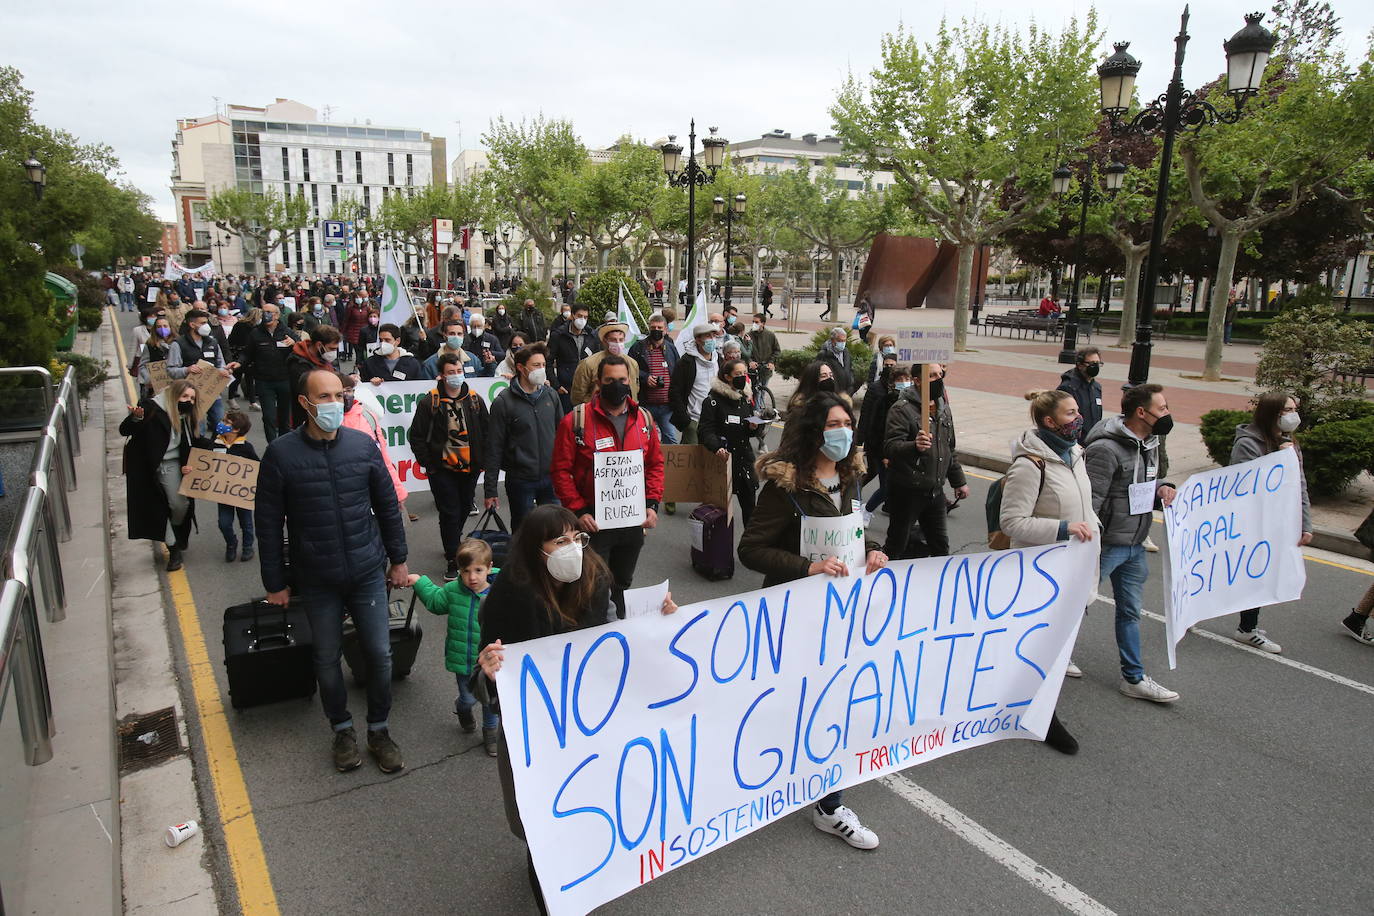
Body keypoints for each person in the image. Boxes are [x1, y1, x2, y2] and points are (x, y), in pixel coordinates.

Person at [476, 505, 676, 912]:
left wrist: (659, 620)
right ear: (536, 550)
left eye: (577, 539)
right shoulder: (509, 597)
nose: (573, 548)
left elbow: (612, 637)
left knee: (584, 807)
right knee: (542, 825)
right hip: (537, 731)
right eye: (560, 541)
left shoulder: (595, 576)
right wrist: (490, 674)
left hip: (587, 723)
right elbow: (490, 680)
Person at [737, 391, 886, 850]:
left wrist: (874, 550)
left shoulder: (852, 476)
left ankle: (828, 805)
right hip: (793, 615)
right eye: (834, 424)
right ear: (814, 431)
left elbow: (853, 529)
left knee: (838, 704)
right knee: (792, 703)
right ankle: (767, 774)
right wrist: (809, 566)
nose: (844, 431)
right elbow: (751, 550)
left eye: (847, 422)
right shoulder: (786, 487)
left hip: (843, 615)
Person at [256, 368, 409, 774]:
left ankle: (379, 729)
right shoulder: (281, 454)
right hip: (317, 577)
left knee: (379, 654)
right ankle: (342, 730)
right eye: (323, 397)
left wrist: (399, 560)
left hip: (366, 571)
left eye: (339, 395)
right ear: (305, 404)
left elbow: (388, 506)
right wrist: (275, 582)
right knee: (326, 658)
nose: (334, 403)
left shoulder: (362, 446)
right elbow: (268, 523)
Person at [1000, 389, 1102, 751]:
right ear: (1049, 421)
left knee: (1058, 643)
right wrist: (1062, 529)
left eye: (1077, 411)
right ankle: (1043, 717)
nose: (1079, 418)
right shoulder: (1030, 465)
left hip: (1074, 567)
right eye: (1071, 413)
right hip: (1043, 574)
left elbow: (1083, 506)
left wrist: (1091, 528)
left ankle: (1027, 700)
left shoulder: (1075, 454)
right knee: (1047, 646)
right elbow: (1012, 522)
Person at [1083, 383, 1180, 704]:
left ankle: (1133, 678)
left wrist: (1163, 488)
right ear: (1142, 412)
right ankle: (1044, 661)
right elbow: (1090, 503)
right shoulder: (1104, 450)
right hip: (1107, 545)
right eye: (1162, 408)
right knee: (1073, 605)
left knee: (1130, 612)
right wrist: (1088, 549)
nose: (1167, 414)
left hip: (1135, 543)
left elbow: (1143, 484)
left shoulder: (1149, 443)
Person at [551, 355, 665, 619]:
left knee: (622, 583)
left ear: (631, 382)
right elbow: (560, 470)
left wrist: (651, 504)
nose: (617, 385)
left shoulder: (645, 420)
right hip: (593, 523)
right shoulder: (575, 421)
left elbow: (655, 465)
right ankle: (592, 633)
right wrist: (579, 511)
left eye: (622, 380)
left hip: (631, 521)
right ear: (598, 383)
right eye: (610, 380)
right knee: (594, 586)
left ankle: (619, 632)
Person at [1228, 391, 1313, 653]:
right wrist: (1279, 458)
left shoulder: (1288, 442)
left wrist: (1305, 523)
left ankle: (1247, 628)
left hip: (1276, 522)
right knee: (1232, 573)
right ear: (1272, 413)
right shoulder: (1248, 444)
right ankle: (1192, 613)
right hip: (1251, 521)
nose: (1293, 415)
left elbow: (1299, 485)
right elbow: (1244, 485)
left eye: (1294, 409)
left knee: (1259, 574)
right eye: (1287, 410)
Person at [408, 539, 500, 756]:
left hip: (489, 662)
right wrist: (420, 582)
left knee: (490, 701)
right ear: (459, 570)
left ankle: (491, 733)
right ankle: (463, 708)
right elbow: (434, 602)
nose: (472, 577)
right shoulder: (453, 590)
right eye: (466, 571)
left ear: (489, 567)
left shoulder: (499, 593)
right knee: (468, 698)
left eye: (478, 570)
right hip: (462, 659)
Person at [409, 354, 493, 580]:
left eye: (459, 371)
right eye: (451, 372)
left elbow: (487, 431)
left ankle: (453, 540)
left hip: (470, 468)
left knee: (465, 507)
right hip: (442, 470)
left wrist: (482, 459)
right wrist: (429, 463)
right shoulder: (430, 401)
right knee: (450, 511)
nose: (456, 376)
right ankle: (453, 557)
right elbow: (416, 435)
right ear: (441, 375)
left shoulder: (475, 400)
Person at [119, 380, 212, 572]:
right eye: (185, 396)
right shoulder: (150, 407)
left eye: (192, 398)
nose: (189, 401)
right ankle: (173, 549)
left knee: (180, 506)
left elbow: (194, 441)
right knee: (158, 510)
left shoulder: (185, 415)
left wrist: (220, 443)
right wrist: (135, 418)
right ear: (174, 394)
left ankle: (176, 532)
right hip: (148, 469)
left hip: (173, 466)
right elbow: (125, 430)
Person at [882, 363, 970, 560]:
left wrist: (959, 481)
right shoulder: (901, 409)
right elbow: (890, 447)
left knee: (940, 546)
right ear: (917, 380)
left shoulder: (943, 409)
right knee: (896, 544)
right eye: (931, 376)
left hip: (935, 492)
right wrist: (914, 446)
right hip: (907, 491)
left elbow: (949, 448)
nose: (938, 379)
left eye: (940, 374)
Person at [484, 342, 564, 530]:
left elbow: (562, 437)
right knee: (523, 530)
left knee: (555, 530)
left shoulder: (551, 396)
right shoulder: (504, 402)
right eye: (536, 365)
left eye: (544, 365)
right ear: (520, 368)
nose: (542, 370)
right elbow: (494, 447)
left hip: (551, 478)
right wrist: (490, 489)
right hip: (521, 480)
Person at [698, 358, 761, 525]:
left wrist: (754, 427)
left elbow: (749, 428)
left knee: (750, 507)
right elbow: (705, 430)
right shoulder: (713, 401)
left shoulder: (745, 397)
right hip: (723, 458)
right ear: (727, 377)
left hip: (744, 459)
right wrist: (716, 447)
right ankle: (716, 546)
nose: (742, 377)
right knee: (719, 511)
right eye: (738, 374)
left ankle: (750, 546)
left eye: (744, 373)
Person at [340, 373, 408, 516]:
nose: (345, 395)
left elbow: (383, 458)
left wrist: (397, 491)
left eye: (349, 390)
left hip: (370, 491)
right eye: (340, 392)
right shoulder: (321, 424)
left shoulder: (367, 416)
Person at [165, 308, 238, 433]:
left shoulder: (213, 342)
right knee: (199, 427)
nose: (206, 326)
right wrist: (186, 370)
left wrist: (224, 371)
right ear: (192, 324)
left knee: (220, 422)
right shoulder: (178, 344)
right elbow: (171, 370)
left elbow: (221, 363)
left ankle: (217, 449)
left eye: (206, 323)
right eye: (202, 323)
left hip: (212, 391)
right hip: (191, 394)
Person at [242, 301, 299, 441]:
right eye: (264, 312)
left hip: (284, 379)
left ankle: (283, 445)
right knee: (269, 417)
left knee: (285, 417)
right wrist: (238, 364)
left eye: (269, 312)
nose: (266, 315)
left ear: (277, 315)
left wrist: (294, 344)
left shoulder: (286, 332)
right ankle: (272, 444)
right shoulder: (256, 333)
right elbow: (247, 353)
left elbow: (302, 349)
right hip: (264, 381)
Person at [857, 361, 906, 514]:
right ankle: (866, 510)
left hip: (901, 453)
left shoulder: (910, 402)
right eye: (900, 380)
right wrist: (884, 455)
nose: (904, 383)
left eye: (907, 379)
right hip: (882, 451)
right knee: (886, 486)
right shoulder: (884, 400)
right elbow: (877, 429)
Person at [211, 409, 258, 563]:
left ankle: (247, 547)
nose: (221, 424)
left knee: (246, 522)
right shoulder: (216, 444)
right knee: (224, 523)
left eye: (226, 422)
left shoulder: (246, 447)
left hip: (241, 493)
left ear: (236, 429)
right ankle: (231, 543)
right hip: (223, 494)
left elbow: (256, 467)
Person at [628, 313, 679, 445]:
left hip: (667, 406)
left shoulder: (671, 349)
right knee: (643, 439)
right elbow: (630, 369)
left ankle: (668, 466)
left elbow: (677, 372)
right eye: (653, 327)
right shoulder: (638, 348)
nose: (656, 330)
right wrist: (645, 377)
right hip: (645, 404)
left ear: (665, 330)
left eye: (659, 328)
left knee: (671, 439)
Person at [668, 323, 720, 445]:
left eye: (713, 336)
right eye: (708, 336)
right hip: (693, 419)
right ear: (698, 339)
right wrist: (686, 421)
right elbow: (675, 391)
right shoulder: (686, 362)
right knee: (690, 459)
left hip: (714, 421)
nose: (712, 339)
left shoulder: (719, 360)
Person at [570, 322, 639, 406]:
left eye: (621, 340)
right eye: (613, 340)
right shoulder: (588, 364)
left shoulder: (632, 363)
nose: (617, 343)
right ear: (605, 341)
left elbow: (635, 390)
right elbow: (577, 396)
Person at [286, 325, 341, 428]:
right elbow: (308, 390)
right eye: (332, 348)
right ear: (319, 345)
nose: (334, 353)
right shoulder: (298, 363)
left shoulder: (323, 358)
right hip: (306, 417)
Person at [548, 303, 598, 412]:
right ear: (572, 315)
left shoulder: (592, 336)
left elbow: (597, 360)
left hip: (588, 389)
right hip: (566, 389)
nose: (582, 320)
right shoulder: (559, 335)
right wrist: (556, 385)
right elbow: (548, 361)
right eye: (580, 316)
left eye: (585, 317)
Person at [1057, 347, 1104, 446]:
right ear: (1080, 365)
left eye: (1097, 363)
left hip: (1092, 441)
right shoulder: (1068, 387)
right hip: (1075, 443)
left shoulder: (1096, 387)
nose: (1095, 367)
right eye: (1091, 363)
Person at [358, 323, 426, 384]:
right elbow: (362, 384)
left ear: (397, 341)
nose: (383, 343)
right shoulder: (370, 363)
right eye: (381, 340)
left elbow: (419, 386)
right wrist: (370, 382)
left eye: (387, 340)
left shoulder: (412, 363)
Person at [135, 315, 176, 397]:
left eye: (165, 326)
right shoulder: (150, 344)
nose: (162, 329)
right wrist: (148, 379)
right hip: (156, 388)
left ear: (170, 327)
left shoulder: (178, 343)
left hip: (175, 387)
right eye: (159, 327)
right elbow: (142, 365)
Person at [815, 326, 857, 394]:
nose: (842, 343)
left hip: (846, 393)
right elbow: (817, 374)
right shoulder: (824, 354)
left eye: (844, 340)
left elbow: (850, 369)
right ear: (832, 340)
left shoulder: (846, 352)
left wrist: (851, 384)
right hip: (832, 393)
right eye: (840, 341)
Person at [746, 313, 780, 393]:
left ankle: (760, 405)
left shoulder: (770, 335)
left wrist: (771, 362)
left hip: (765, 368)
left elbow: (777, 350)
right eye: (753, 322)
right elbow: (744, 352)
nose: (754, 324)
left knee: (763, 390)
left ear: (763, 323)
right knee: (753, 391)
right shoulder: (748, 336)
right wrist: (750, 361)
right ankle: (755, 405)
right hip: (753, 370)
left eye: (757, 322)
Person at [464, 312, 505, 377]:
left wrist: (490, 353)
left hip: (488, 371)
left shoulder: (492, 338)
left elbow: (502, 354)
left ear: (483, 326)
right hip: (471, 372)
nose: (476, 328)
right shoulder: (466, 339)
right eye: (474, 326)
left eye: (479, 326)